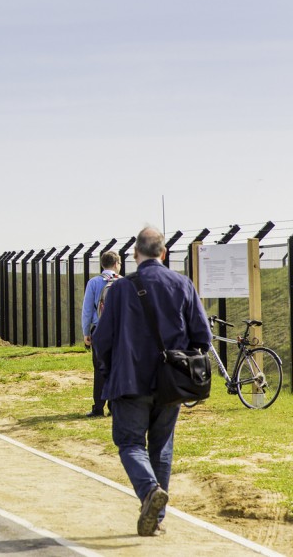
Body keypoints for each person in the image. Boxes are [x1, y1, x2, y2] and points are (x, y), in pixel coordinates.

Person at [93, 227, 212, 537]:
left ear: (135, 254)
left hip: (129, 381)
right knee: (161, 447)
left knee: (130, 443)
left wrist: (108, 371)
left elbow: (102, 339)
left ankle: (149, 492)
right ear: (164, 253)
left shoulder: (120, 289)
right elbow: (203, 337)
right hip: (171, 383)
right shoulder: (183, 284)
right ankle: (156, 519)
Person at [81, 251, 121, 417]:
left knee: (99, 369)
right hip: (119, 331)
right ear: (116, 264)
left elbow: (87, 310)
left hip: (99, 330)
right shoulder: (123, 282)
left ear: (102, 264)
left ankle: (98, 407)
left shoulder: (94, 282)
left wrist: (86, 332)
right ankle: (114, 406)